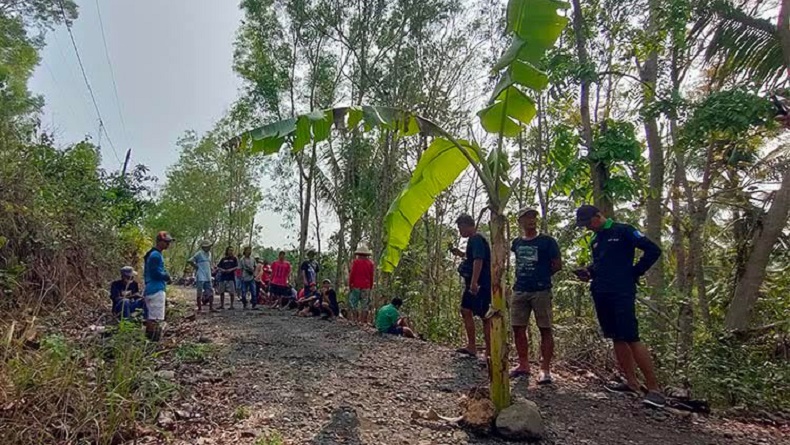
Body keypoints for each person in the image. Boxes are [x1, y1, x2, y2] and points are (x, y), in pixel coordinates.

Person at [573, 204, 665, 408]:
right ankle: (631, 382)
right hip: (601, 291)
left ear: (599, 215)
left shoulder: (623, 230)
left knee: (631, 336)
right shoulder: (596, 240)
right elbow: (602, 264)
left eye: (589, 222)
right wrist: (589, 272)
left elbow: (653, 250)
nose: (588, 227)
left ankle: (654, 389)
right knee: (616, 336)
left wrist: (635, 272)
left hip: (622, 292)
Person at [509, 208, 562, 384]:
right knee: (518, 327)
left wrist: (541, 277)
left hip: (541, 290)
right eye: (527, 217)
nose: (531, 220)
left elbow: (556, 265)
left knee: (545, 328)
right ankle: (523, 364)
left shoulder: (547, 241)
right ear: (520, 221)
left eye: (533, 217)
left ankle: (545, 369)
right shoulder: (516, 243)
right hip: (520, 289)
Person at [449, 214, 492, 359]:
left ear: (466, 225)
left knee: (484, 316)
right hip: (477, 283)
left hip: (480, 284)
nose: (460, 231)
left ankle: (488, 351)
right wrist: (460, 254)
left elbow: (479, 260)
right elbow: (473, 258)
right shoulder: (474, 241)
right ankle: (474, 346)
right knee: (468, 310)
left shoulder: (476, 239)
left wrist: (474, 282)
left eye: (460, 228)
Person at [143, 231, 173, 340]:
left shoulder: (154, 253)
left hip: (152, 288)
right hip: (156, 289)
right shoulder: (155, 255)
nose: (167, 244)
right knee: (155, 318)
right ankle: (153, 342)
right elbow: (155, 273)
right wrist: (167, 276)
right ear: (159, 242)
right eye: (165, 242)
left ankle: (149, 341)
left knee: (151, 317)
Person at [348, 244, 375, 324]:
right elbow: (371, 276)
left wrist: (350, 284)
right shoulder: (370, 263)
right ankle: (362, 322)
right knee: (365, 304)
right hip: (366, 286)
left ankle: (355, 320)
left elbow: (352, 274)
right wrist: (370, 286)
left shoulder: (356, 262)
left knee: (354, 303)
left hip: (356, 285)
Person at [188, 240, 215, 313]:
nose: (209, 248)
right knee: (199, 292)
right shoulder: (199, 253)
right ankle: (200, 308)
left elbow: (209, 263)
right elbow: (190, 260)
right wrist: (196, 267)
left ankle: (211, 307)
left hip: (208, 275)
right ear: (204, 247)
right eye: (208, 246)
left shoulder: (209, 254)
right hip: (200, 275)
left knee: (210, 291)